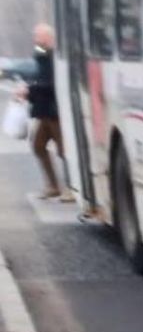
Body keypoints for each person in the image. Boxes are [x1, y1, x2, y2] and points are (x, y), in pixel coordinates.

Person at [18, 24, 74, 203]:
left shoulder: (56, 57)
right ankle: (53, 186)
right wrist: (29, 90)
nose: (35, 39)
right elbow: (40, 79)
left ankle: (72, 188)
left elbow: (53, 84)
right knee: (38, 145)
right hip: (43, 111)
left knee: (64, 151)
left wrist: (31, 90)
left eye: (38, 36)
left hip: (54, 111)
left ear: (48, 38)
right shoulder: (41, 56)